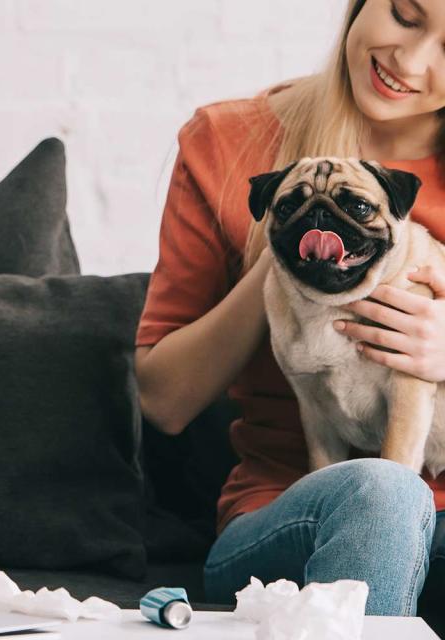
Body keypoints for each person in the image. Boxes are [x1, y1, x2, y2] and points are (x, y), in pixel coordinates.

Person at [135, 0, 445, 618]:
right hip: (286, 506)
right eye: (405, 16)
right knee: (381, 495)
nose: (409, 60)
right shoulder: (229, 142)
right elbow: (164, 400)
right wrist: (291, 253)